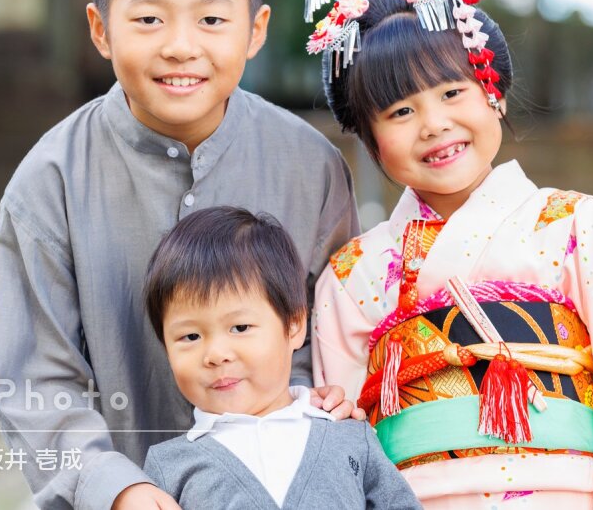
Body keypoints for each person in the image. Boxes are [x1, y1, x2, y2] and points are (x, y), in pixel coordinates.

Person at [0, 0, 361, 510]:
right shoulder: (48, 182)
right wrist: (114, 486)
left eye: (212, 21)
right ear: (101, 30)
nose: (181, 47)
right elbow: (36, 383)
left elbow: (335, 340)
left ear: (256, 30)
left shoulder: (311, 166)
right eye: (149, 20)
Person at [306, 0, 593, 509]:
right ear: (369, 140)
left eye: (451, 92)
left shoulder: (576, 227)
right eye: (400, 112)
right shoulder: (352, 276)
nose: (435, 124)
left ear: (493, 92)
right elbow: (342, 436)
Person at [141, 206, 421, 509]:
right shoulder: (167, 470)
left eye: (240, 327)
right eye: (190, 337)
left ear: (294, 326)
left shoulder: (348, 436)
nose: (216, 355)